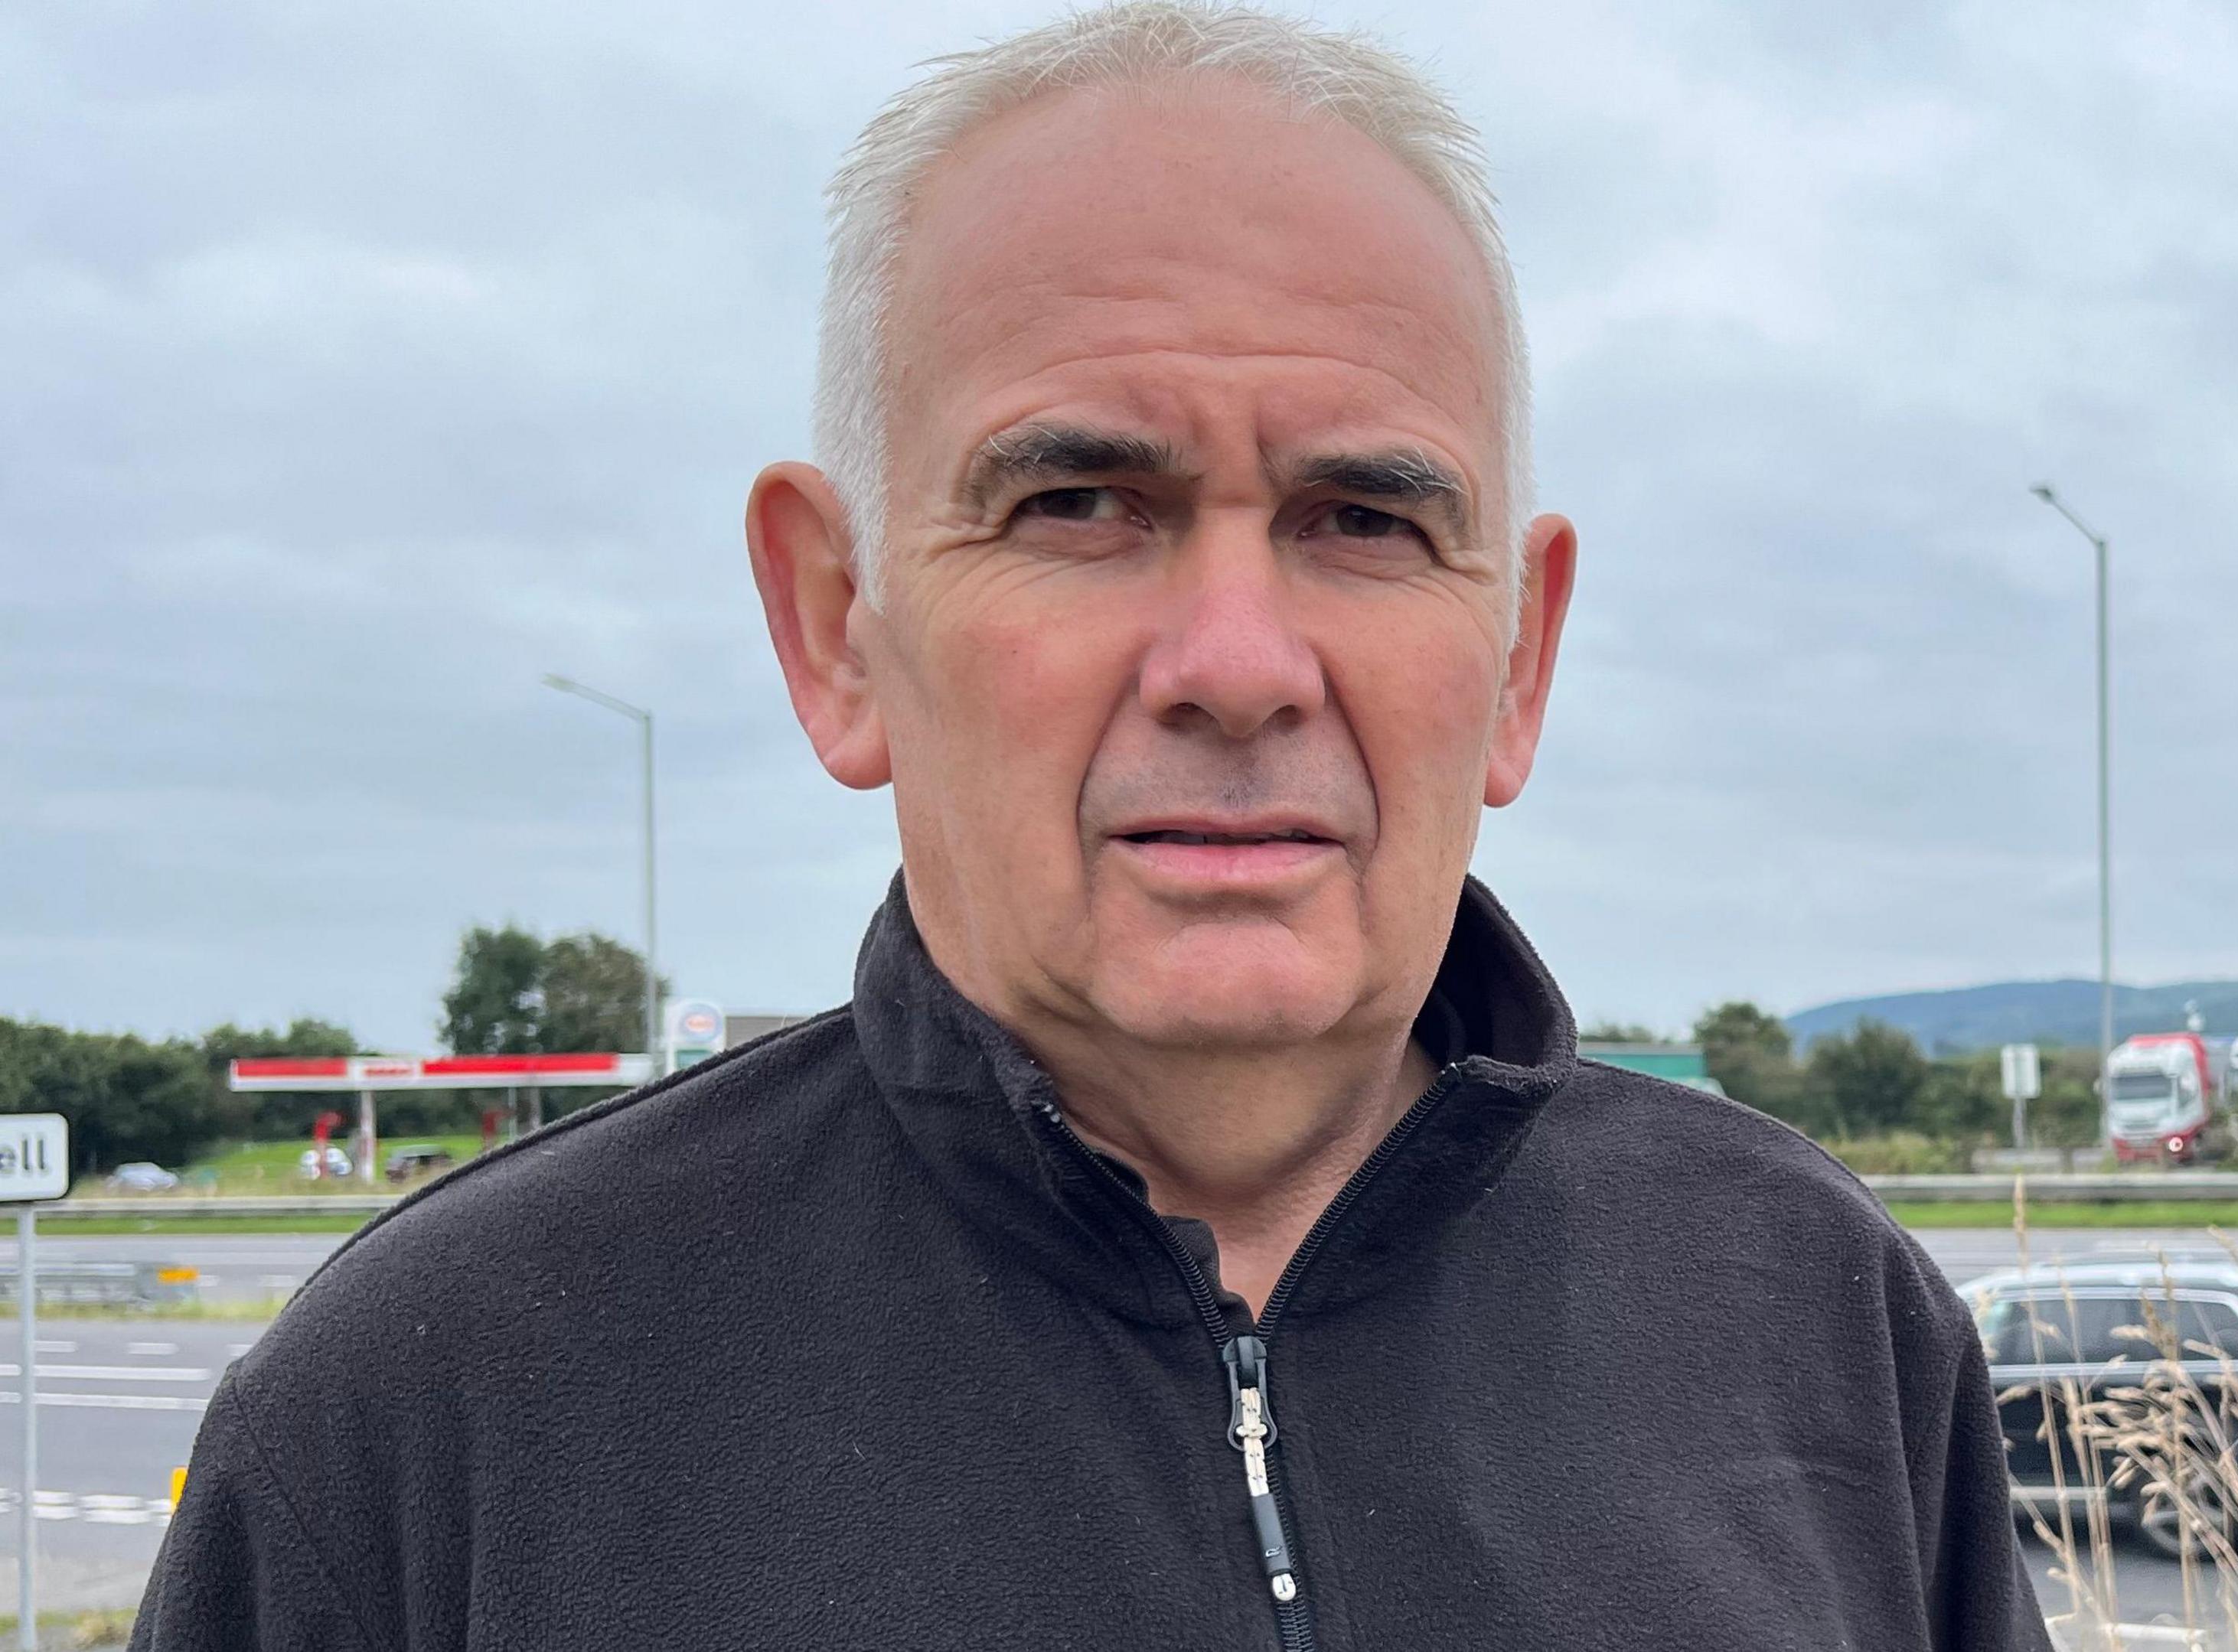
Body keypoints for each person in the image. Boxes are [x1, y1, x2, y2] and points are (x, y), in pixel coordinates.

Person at [135, 7, 2047, 1647]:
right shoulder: (422, 1423)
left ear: (1520, 657)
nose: (1238, 665)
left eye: (1364, 522)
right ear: (836, 625)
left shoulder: (1820, 1324)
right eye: (1079, 505)